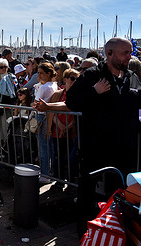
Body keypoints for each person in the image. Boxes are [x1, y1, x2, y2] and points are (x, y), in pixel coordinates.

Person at [65, 37, 141, 235]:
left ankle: (120, 234)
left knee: (123, 194)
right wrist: (93, 92)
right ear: (109, 54)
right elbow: (72, 101)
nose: (129, 56)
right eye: (125, 52)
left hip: (126, 150)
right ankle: (88, 235)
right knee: (90, 196)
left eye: (130, 52)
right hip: (95, 150)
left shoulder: (132, 77)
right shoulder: (92, 75)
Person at [33, 62, 58, 182]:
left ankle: (45, 174)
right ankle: (50, 172)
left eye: (41, 73)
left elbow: (35, 103)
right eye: (38, 73)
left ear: (48, 73)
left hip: (41, 118)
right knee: (50, 147)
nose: (39, 76)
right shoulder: (54, 85)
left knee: (43, 147)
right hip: (50, 117)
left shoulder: (43, 87)